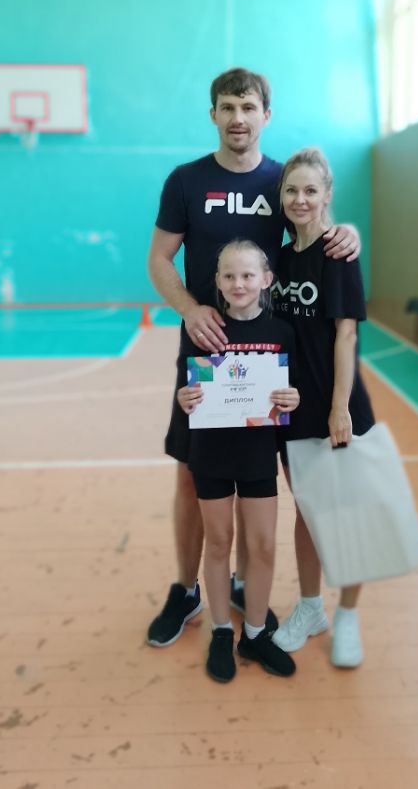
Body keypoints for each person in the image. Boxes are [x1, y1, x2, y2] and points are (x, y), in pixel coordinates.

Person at [146, 68, 360, 648]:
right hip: (208, 346)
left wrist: (347, 233)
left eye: (247, 107)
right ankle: (187, 589)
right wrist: (190, 309)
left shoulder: (282, 181)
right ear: (213, 115)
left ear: (266, 115)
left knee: (281, 474)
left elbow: (315, 221)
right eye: (227, 107)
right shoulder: (186, 181)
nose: (237, 118)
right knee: (193, 475)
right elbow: (159, 259)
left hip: (274, 353)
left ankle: (262, 590)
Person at [270, 147, 375, 668]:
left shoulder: (339, 254)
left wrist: (338, 408)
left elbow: (345, 336)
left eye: (311, 190)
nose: (300, 199)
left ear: (327, 194)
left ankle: (348, 614)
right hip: (293, 408)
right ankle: (311, 608)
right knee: (309, 511)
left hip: (339, 407)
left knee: (346, 515)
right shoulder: (279, 260)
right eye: (292, 190)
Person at [176, 239, 299, 682]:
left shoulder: (282, 332)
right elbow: (191, 390)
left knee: (262, 544)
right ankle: (222, 631)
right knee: (219, 541)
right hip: (211, 453)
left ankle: (255, 632)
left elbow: (293, 392)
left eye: (248, 275)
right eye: (229, 276)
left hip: (257, 454)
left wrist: (294, 398)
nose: (239, 283)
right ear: (218, 282)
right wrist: (185, 398)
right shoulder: (205, 330)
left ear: (266, 279)